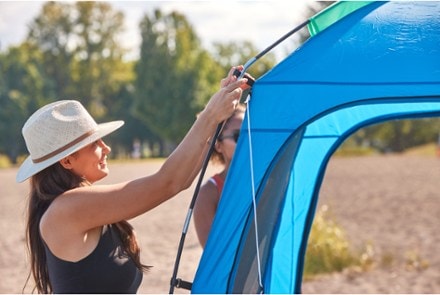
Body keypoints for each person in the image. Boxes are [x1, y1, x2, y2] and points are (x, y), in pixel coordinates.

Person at [17, 66, 249, 293]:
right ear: (67, 161)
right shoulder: (67, 209)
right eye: (94, 143)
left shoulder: (76, 206)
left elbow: (183, 179)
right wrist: (209, 114)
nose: (106, 148)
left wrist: (216, 119)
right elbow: (168, 182)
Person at [193, 104, 245, 248]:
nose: (247, 141)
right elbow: (212, 254)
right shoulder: (209, 193)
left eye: (250, 133)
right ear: (218, 145)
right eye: (238, 136)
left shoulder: (270, 181)